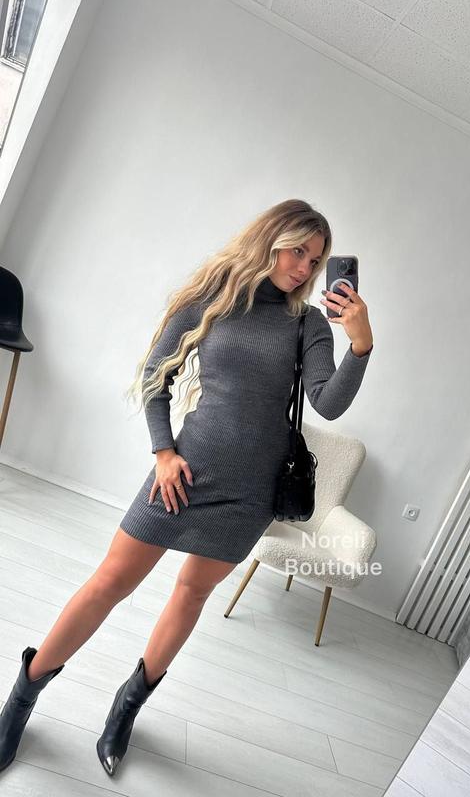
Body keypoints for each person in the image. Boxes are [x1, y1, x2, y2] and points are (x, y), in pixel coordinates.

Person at [0, 198, 374, 777]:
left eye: (316, 259)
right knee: (108, 583)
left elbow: (328, 402)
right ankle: (21, 702)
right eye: (297, 250)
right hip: (185, 474)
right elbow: (157, 375)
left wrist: (360, 345)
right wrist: (164, 452)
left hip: (252, 493)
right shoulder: (211, 297)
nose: (304, 267)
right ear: (271, 239)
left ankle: (126, 709)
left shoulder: (307, 322)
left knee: (192, 594)